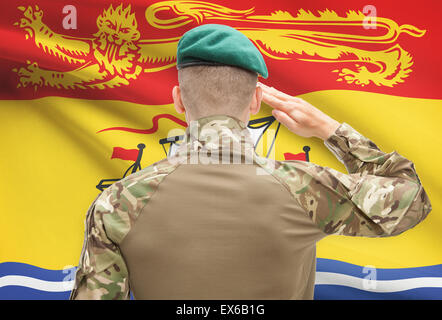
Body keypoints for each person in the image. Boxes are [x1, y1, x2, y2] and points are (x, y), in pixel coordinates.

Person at [70, 24, 431, 300]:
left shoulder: (116, 203)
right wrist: (330, 130)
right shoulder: (305, 188)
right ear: (257, 100)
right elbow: (411, 198)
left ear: (179, 100)